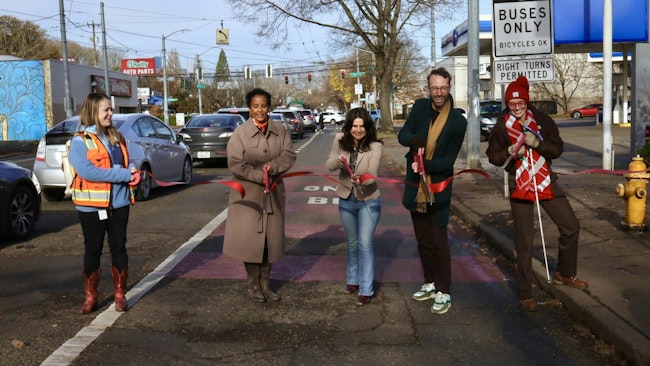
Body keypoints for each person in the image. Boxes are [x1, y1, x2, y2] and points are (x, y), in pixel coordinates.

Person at [485, 75, 588, 312]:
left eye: (521, 103)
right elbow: (493, 156)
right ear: (507, 104)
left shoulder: (541, 120)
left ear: (527, 102)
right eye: (512, 104)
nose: (517, 108)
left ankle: (565, 273)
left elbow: (557, 149)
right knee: (524, 241)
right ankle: (525, 293)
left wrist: (537, 143)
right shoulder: (502, 125)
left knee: (570, 225)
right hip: (519, 183)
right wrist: (510, 150)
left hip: (545, 180)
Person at [397, 67, 467, 315]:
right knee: (423, 241)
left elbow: (448, 163)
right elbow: (402, 134)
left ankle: (444, 290)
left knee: (439, 242)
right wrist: (413, 140)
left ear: (450, 88)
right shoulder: (419, 107)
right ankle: (429, 282)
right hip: (416, 186)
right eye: (434, 88)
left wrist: (425, 164)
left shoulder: (458, 122)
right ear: (428, 88)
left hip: (438, 188)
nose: (439, 93)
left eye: (443, 88)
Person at [223, 88, 297, 303]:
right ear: (249, 108)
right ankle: (253, 285)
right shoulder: (240, 134)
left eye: (263, 106)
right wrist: (258, 176)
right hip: (248, 195)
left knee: (269, 242)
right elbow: (235, 163)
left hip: (273, 192)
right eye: (255, 106)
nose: (260, 110)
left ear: (269, 107)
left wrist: (272, 168)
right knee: (251, 242)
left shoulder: (279, 129)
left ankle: (266, 285)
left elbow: (289, 154)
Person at [68, 92, 138, 314]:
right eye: (106, 110)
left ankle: (120, 295)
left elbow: (125, 163)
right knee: (93, 250)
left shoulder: (118, 137)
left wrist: (133, 170)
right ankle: (91, 296)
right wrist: (124, 174)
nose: (111, 113)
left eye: (111, 109)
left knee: (119, 247)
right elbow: (89, 172)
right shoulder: (80, 142)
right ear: (93, 112)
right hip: (91, 208)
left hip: (119, 205)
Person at [326, 108, 383, 306]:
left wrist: (361, 179)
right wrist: (340, 162)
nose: (358, 130)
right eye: (354, 126)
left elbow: (372, 173)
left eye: (362, 126)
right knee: (351, 242)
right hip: (346, 198)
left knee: (365, 243)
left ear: (368, 128)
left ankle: (366, 289)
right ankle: (353, 280)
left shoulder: (375, 146)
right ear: (349, 126)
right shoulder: (340, 140)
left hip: (369, 199)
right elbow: (329, 165)